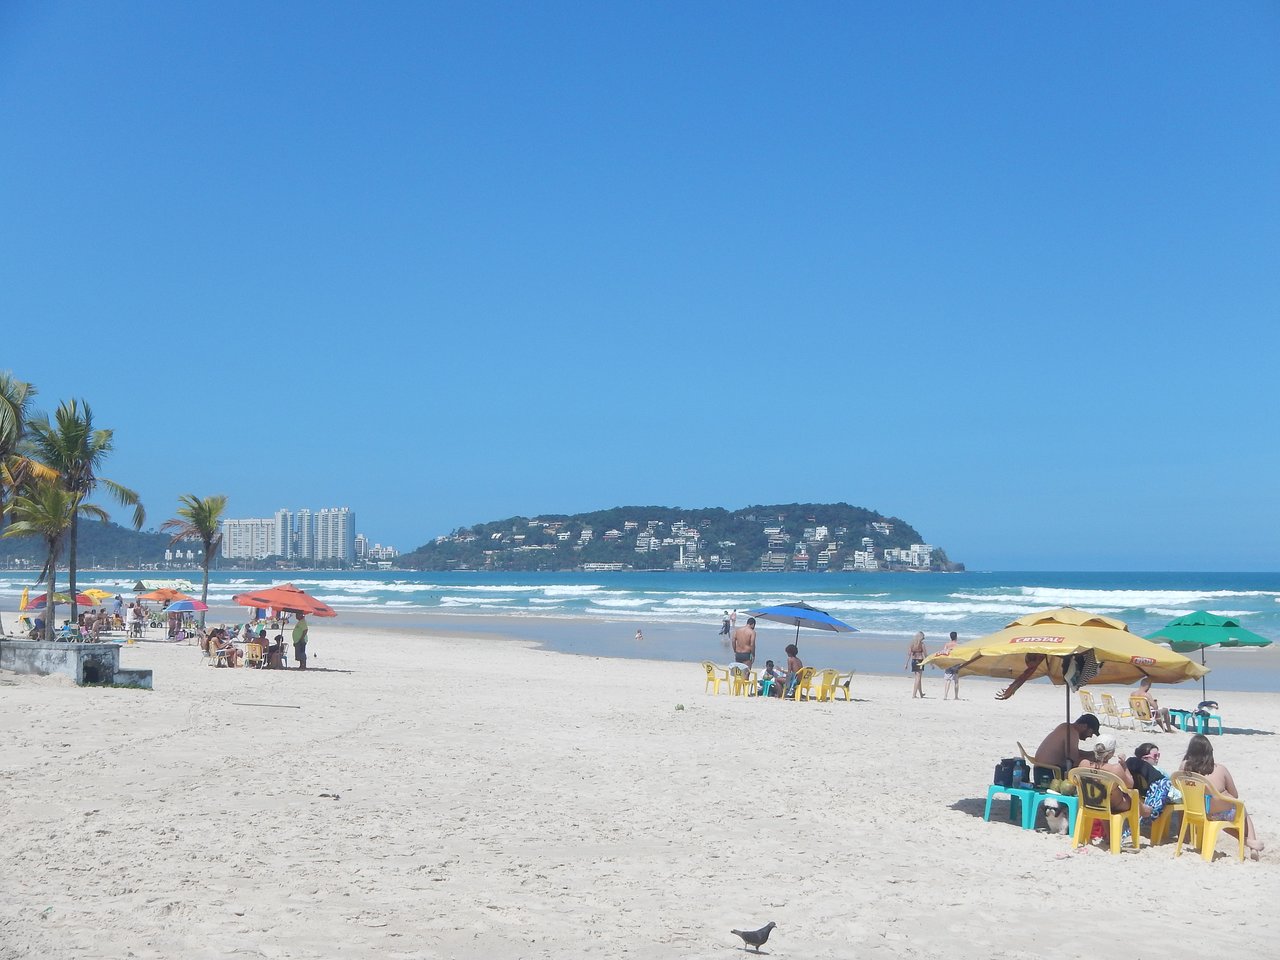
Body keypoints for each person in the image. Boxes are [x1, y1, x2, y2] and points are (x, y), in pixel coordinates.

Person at [1179, 734, 1264, 857]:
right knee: (1242, 810)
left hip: (1197, 811)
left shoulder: (1184, 767)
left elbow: (1178, 784)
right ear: (1210, 752)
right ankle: (1252, 845)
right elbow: (1235, 795)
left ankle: (1247, 841)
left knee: (1220, 820)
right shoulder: (1220, 769)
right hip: (1221, 814)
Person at [1073, 733, 1148, 816]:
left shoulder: (1084, 764)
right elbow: (1130, 785)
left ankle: (1107, 829)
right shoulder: (1115, 769)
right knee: (1136, 800)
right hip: (1115, 805)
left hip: (1090, 803)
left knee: (1107, 795)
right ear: (1112, 753)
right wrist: (1124, 765)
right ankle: (1150, 812)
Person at [1125, 742, 1178, 825]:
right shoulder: (1158, 770)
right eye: (1155, 756)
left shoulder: (1135, 770)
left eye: (1158, 755)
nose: (1157, 758)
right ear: (1145, 758)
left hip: (1143, 794)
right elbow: (1169, 782)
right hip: (1168, 795)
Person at [1035, 713, 1101, 773]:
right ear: (1085, 726)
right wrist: (1093, 761)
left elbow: (1075, 753)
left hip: (1040, 769)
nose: (1090, 736)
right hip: (1048, 772)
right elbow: (1074, 761)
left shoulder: (1065, 727)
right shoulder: (1072, 733)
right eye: (1091, 732)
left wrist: (1094, 754)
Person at [939, 631, 961, 700]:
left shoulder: (947, 644)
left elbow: (944, 653)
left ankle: (945, 696)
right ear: (956, 637)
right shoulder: (958, 646)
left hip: (949, 663)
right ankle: (956, 696)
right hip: (956, 663)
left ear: (950, 637)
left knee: (948, 680)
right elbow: (960, 655)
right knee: (956, 681)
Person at [906, 632, 927, 698]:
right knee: (918, 678)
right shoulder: (922, 644)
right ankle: (914, 694)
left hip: (913, 661)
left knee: (918, 678)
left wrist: (906, 663)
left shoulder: (912, 644)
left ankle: (921, 694)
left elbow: (909, 654)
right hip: (920, 661)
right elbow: (925, 654)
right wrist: (931, 663)